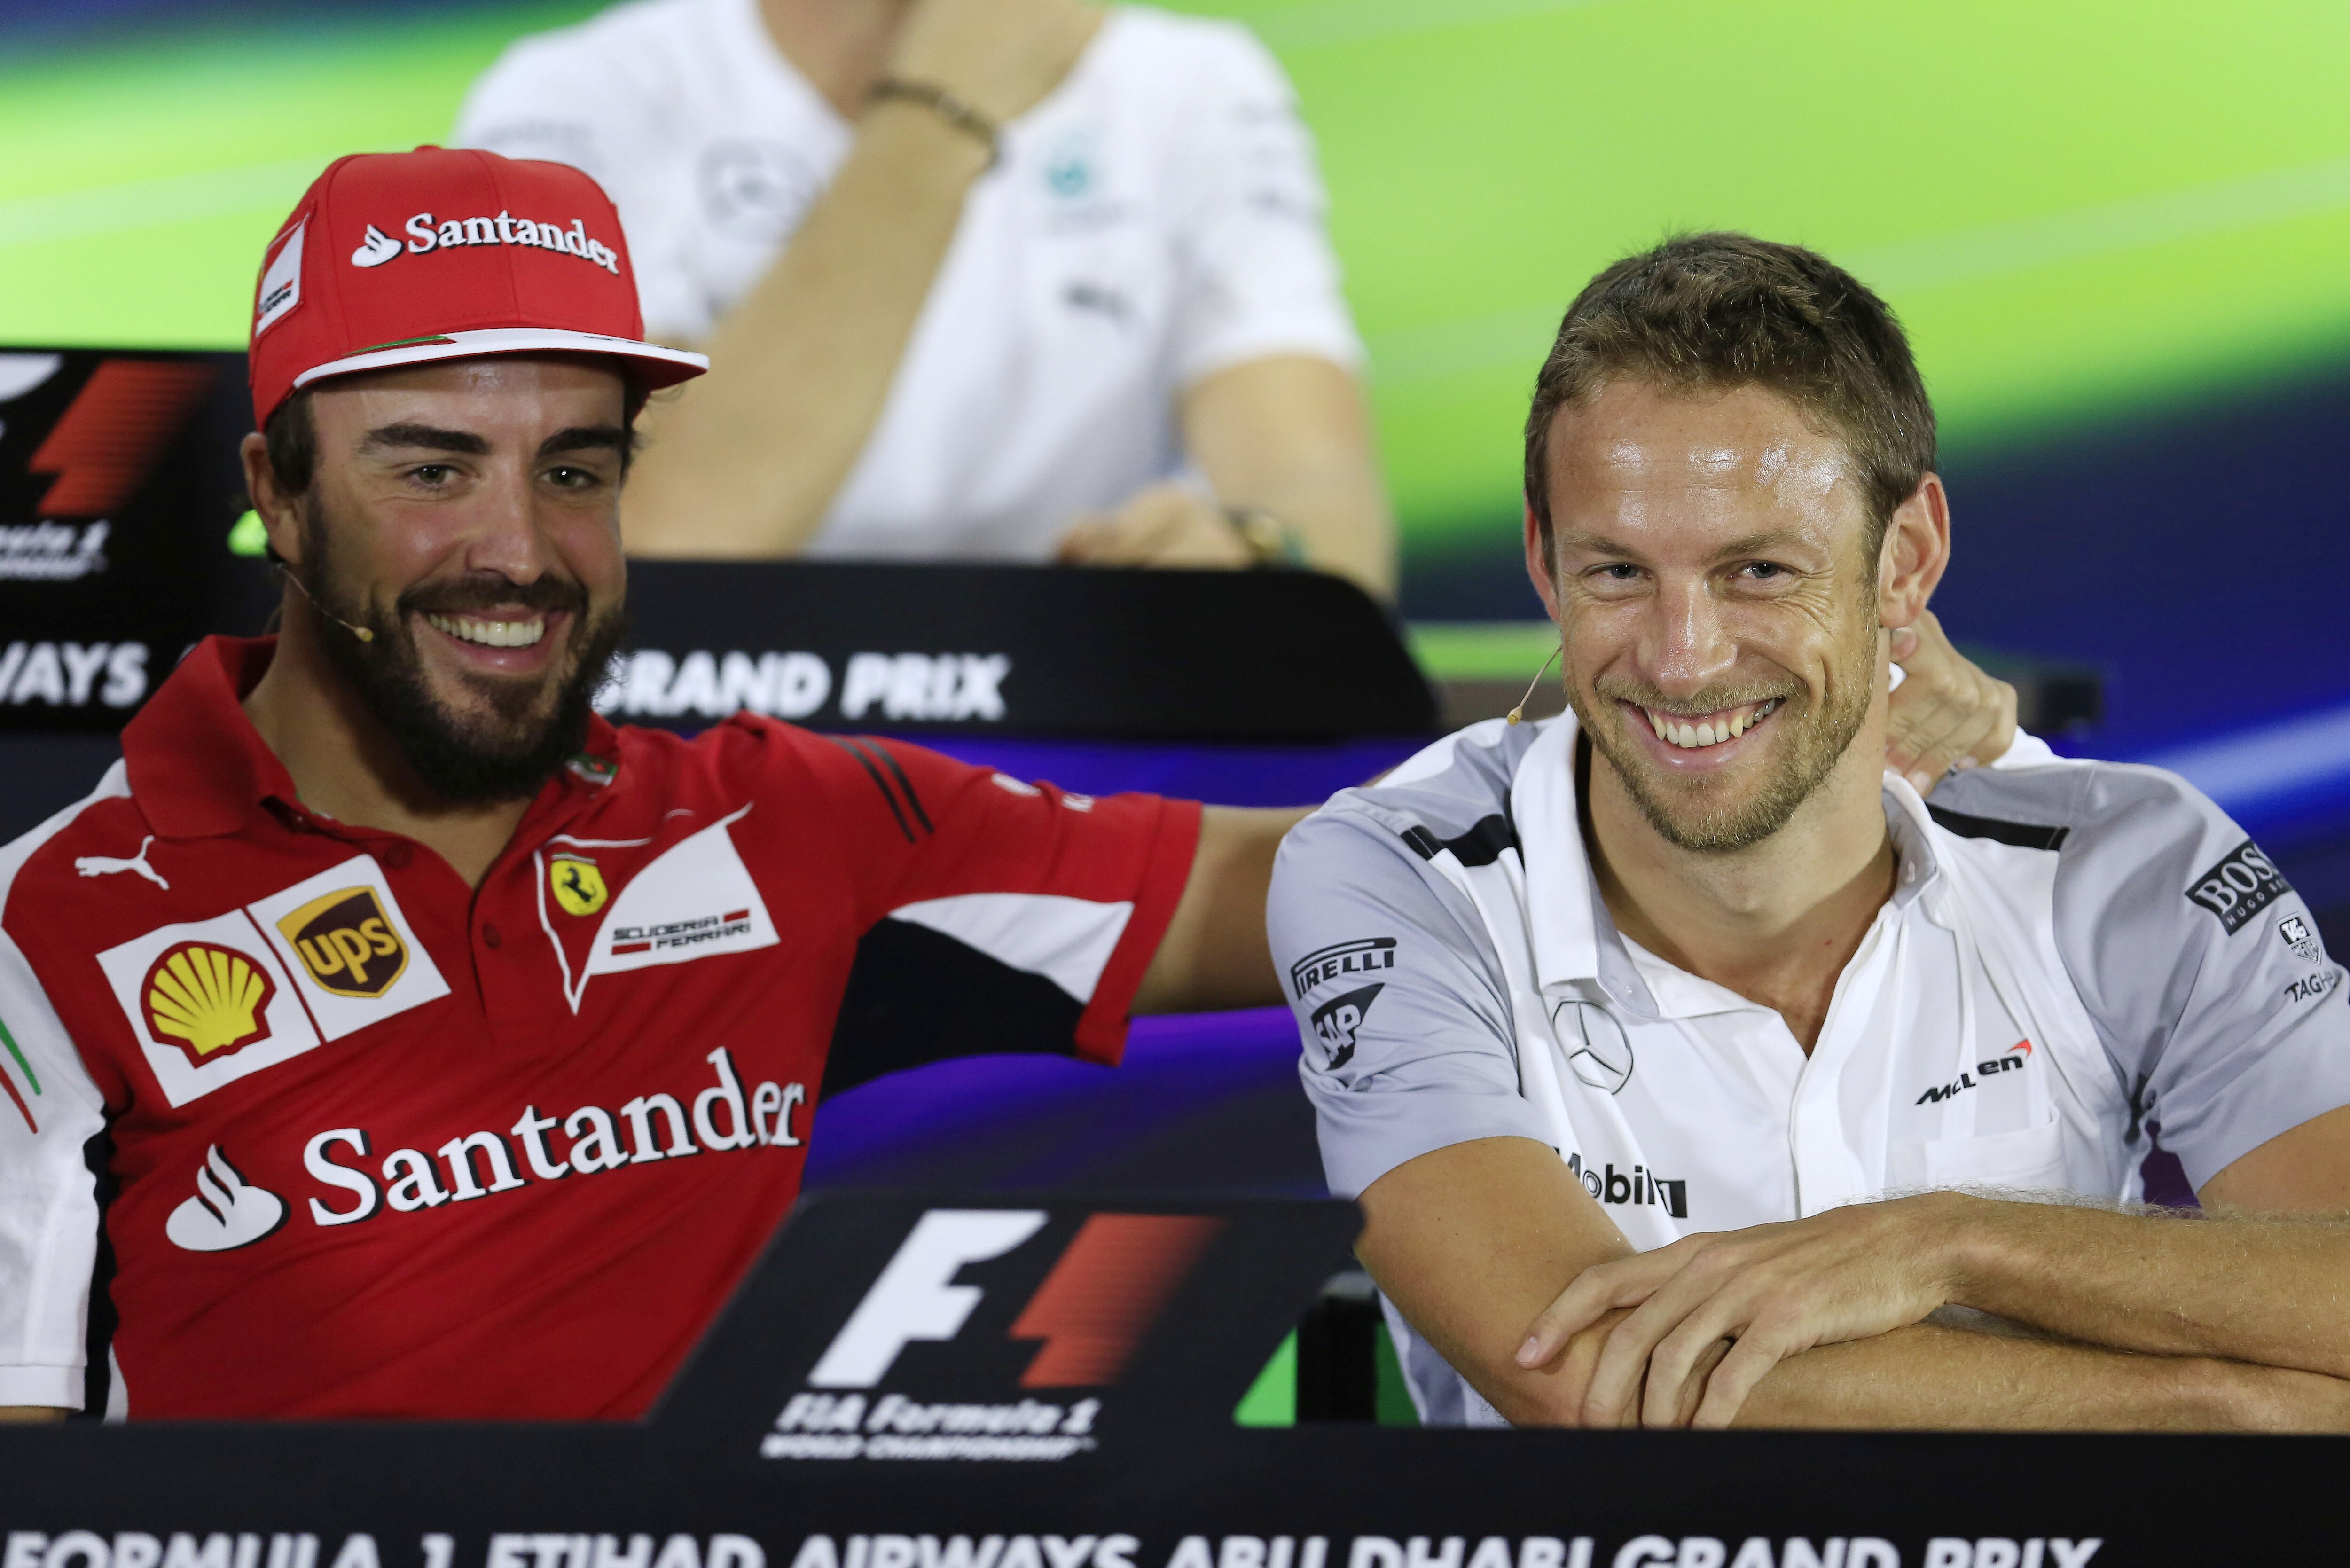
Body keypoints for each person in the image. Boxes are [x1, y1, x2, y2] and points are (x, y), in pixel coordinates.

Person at [0, 148, 1302, 1422]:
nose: (520, 551)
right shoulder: (44, 927)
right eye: (433, 469)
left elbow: (1308, 886)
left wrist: (1300, 612)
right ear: (277, 497)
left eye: (573, 471)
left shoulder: (783, 819)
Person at [1267, 233, 2350, 1431]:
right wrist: (2214, 1412)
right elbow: (1578, 1370)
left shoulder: (2130, 867)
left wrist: (1952, 1245)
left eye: (1758, 572)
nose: (1682, 660)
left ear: (1905, 561)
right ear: (1542, 559)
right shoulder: (1394, 874)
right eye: (1617, 572)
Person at [453, 0, 1399, 595]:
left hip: (1075, 717)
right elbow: (652, 542)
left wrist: (1252, 555)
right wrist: (943, 107)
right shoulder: (579, 96)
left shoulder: (1193, 85)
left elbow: (1325, 505)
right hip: (706, 737)